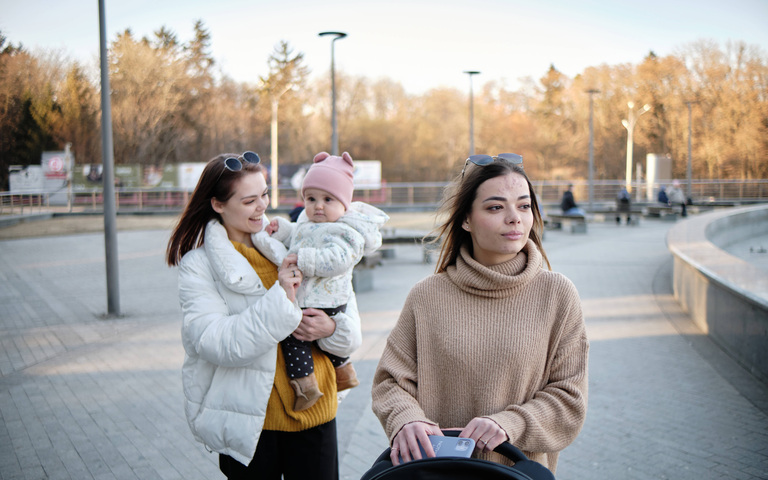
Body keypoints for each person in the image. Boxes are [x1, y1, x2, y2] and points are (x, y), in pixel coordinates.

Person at [371, 153, 589, 476]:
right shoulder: (426, 296)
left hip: (515, 473)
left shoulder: (558, 295)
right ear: (465, 220)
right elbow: (390, 382)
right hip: (435, 473)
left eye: (524, 205)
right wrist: (406, 418)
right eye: (495, 207)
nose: (515, 218)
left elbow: (569, 399)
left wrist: (509, 423)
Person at [165, 151, 361, 480]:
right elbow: (214, 342)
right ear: (218, 204)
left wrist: (331, 328)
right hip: (252, 426)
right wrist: (281, 297)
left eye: (265, 194)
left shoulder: (290, 242)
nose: (263, 207)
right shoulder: (198, 266)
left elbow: (350, 325)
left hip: (318, 414)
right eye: (249, 201)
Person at [254, 151, 389, 411]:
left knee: (295, 337)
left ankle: (305, 386)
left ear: (344, 204)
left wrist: (302, 259)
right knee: (308, 336)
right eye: (311, 198)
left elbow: (337, 259)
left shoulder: (347, 232)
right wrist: (283, 229)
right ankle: (344, 372)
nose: (318, 206)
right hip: (315, 297)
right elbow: (299, 235)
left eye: (328, 199)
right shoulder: (309, 222)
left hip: (327, 299)